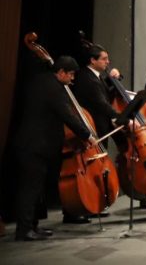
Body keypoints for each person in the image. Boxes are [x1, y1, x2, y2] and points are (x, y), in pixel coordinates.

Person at [13, 56, 93, 241]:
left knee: (36, 188)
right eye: (70, 74)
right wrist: (87, 135)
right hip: (35, 145)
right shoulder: (54, 88)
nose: (72, 78)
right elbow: (68, 116)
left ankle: (31, 226)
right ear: (61, 72)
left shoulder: (42, 81)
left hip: (32, 144)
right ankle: (24, 230)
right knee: (30, 189)